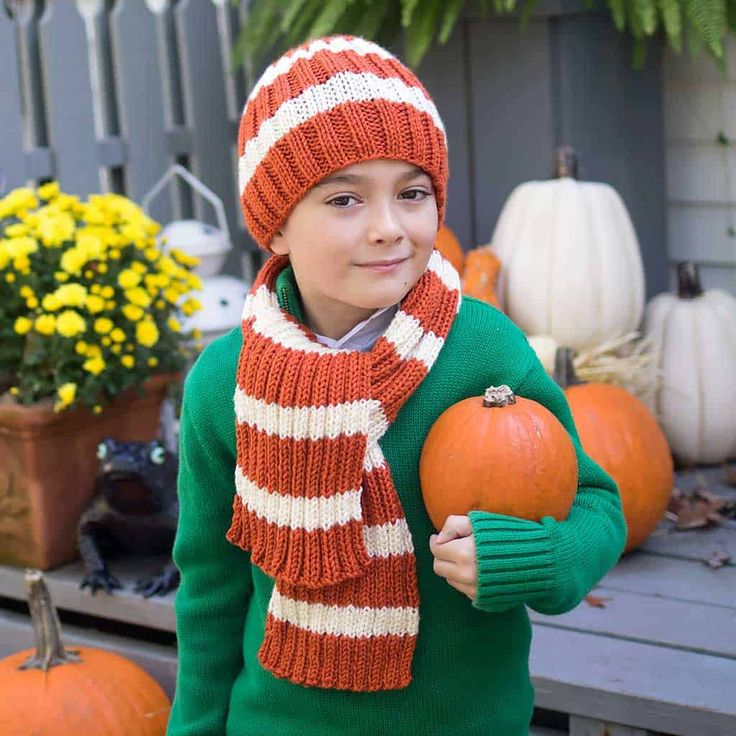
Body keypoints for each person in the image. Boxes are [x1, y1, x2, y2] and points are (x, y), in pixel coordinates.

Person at [166, 34, 626, 736]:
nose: (389, 228)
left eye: (411, 193)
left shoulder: (482, 350)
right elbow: (210, 588)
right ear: (276, 225)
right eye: (345, 199)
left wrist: (529, 558)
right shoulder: (224, 385)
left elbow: (596, 507)